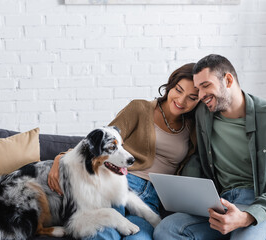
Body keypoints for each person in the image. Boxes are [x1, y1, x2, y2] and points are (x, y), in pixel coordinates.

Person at [153, 54, 266, 240]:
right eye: (198, 89)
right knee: (167, 229)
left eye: (206, 86)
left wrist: (247, 217)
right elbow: (171, 108)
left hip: (264, 208)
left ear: (228, 80)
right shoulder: (203, 114)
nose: (201, 95)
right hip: (222, 202)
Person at [47, 63, 200, 240]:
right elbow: (103, 138)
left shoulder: (193, 127)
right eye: (178, 90)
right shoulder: (140, 109)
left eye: (192, 97)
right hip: (118, 183)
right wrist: (61, 157)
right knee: (104, 234)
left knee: (139, 238)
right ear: (170, 86)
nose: (181, 100)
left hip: (150, 198)